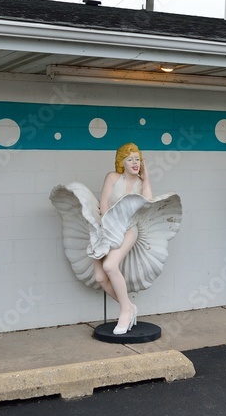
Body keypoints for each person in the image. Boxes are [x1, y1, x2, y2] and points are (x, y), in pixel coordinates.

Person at [50, 143, 182, 335]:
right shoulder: (113, 177)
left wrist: (146, 178)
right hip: (106, 228)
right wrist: (106, 229)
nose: (135, 163)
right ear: (122, 162)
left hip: (129, 229)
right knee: (100, 277)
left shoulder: (139, 182)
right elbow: (104, 203)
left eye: (137, 159)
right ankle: (128, 306)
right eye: (130, 159)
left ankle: (125, 311)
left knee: (110, 266)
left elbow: (148, 202)